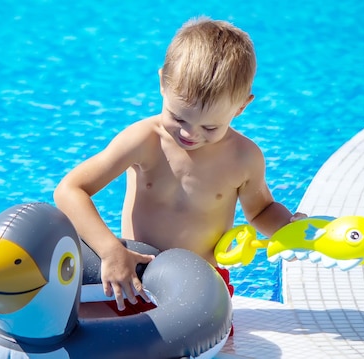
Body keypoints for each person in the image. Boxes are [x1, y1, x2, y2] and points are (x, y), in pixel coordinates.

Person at [54, 17, 305, 316]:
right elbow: (70, 190)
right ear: (162, 83)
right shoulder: (144, 140)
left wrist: (288, 229)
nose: (189, 134)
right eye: (178, 118)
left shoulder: (244, 158)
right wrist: (110, 251)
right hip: (135, 275)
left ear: (241, 108)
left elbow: (261, 211)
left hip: (199, 284)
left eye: (210, 127)